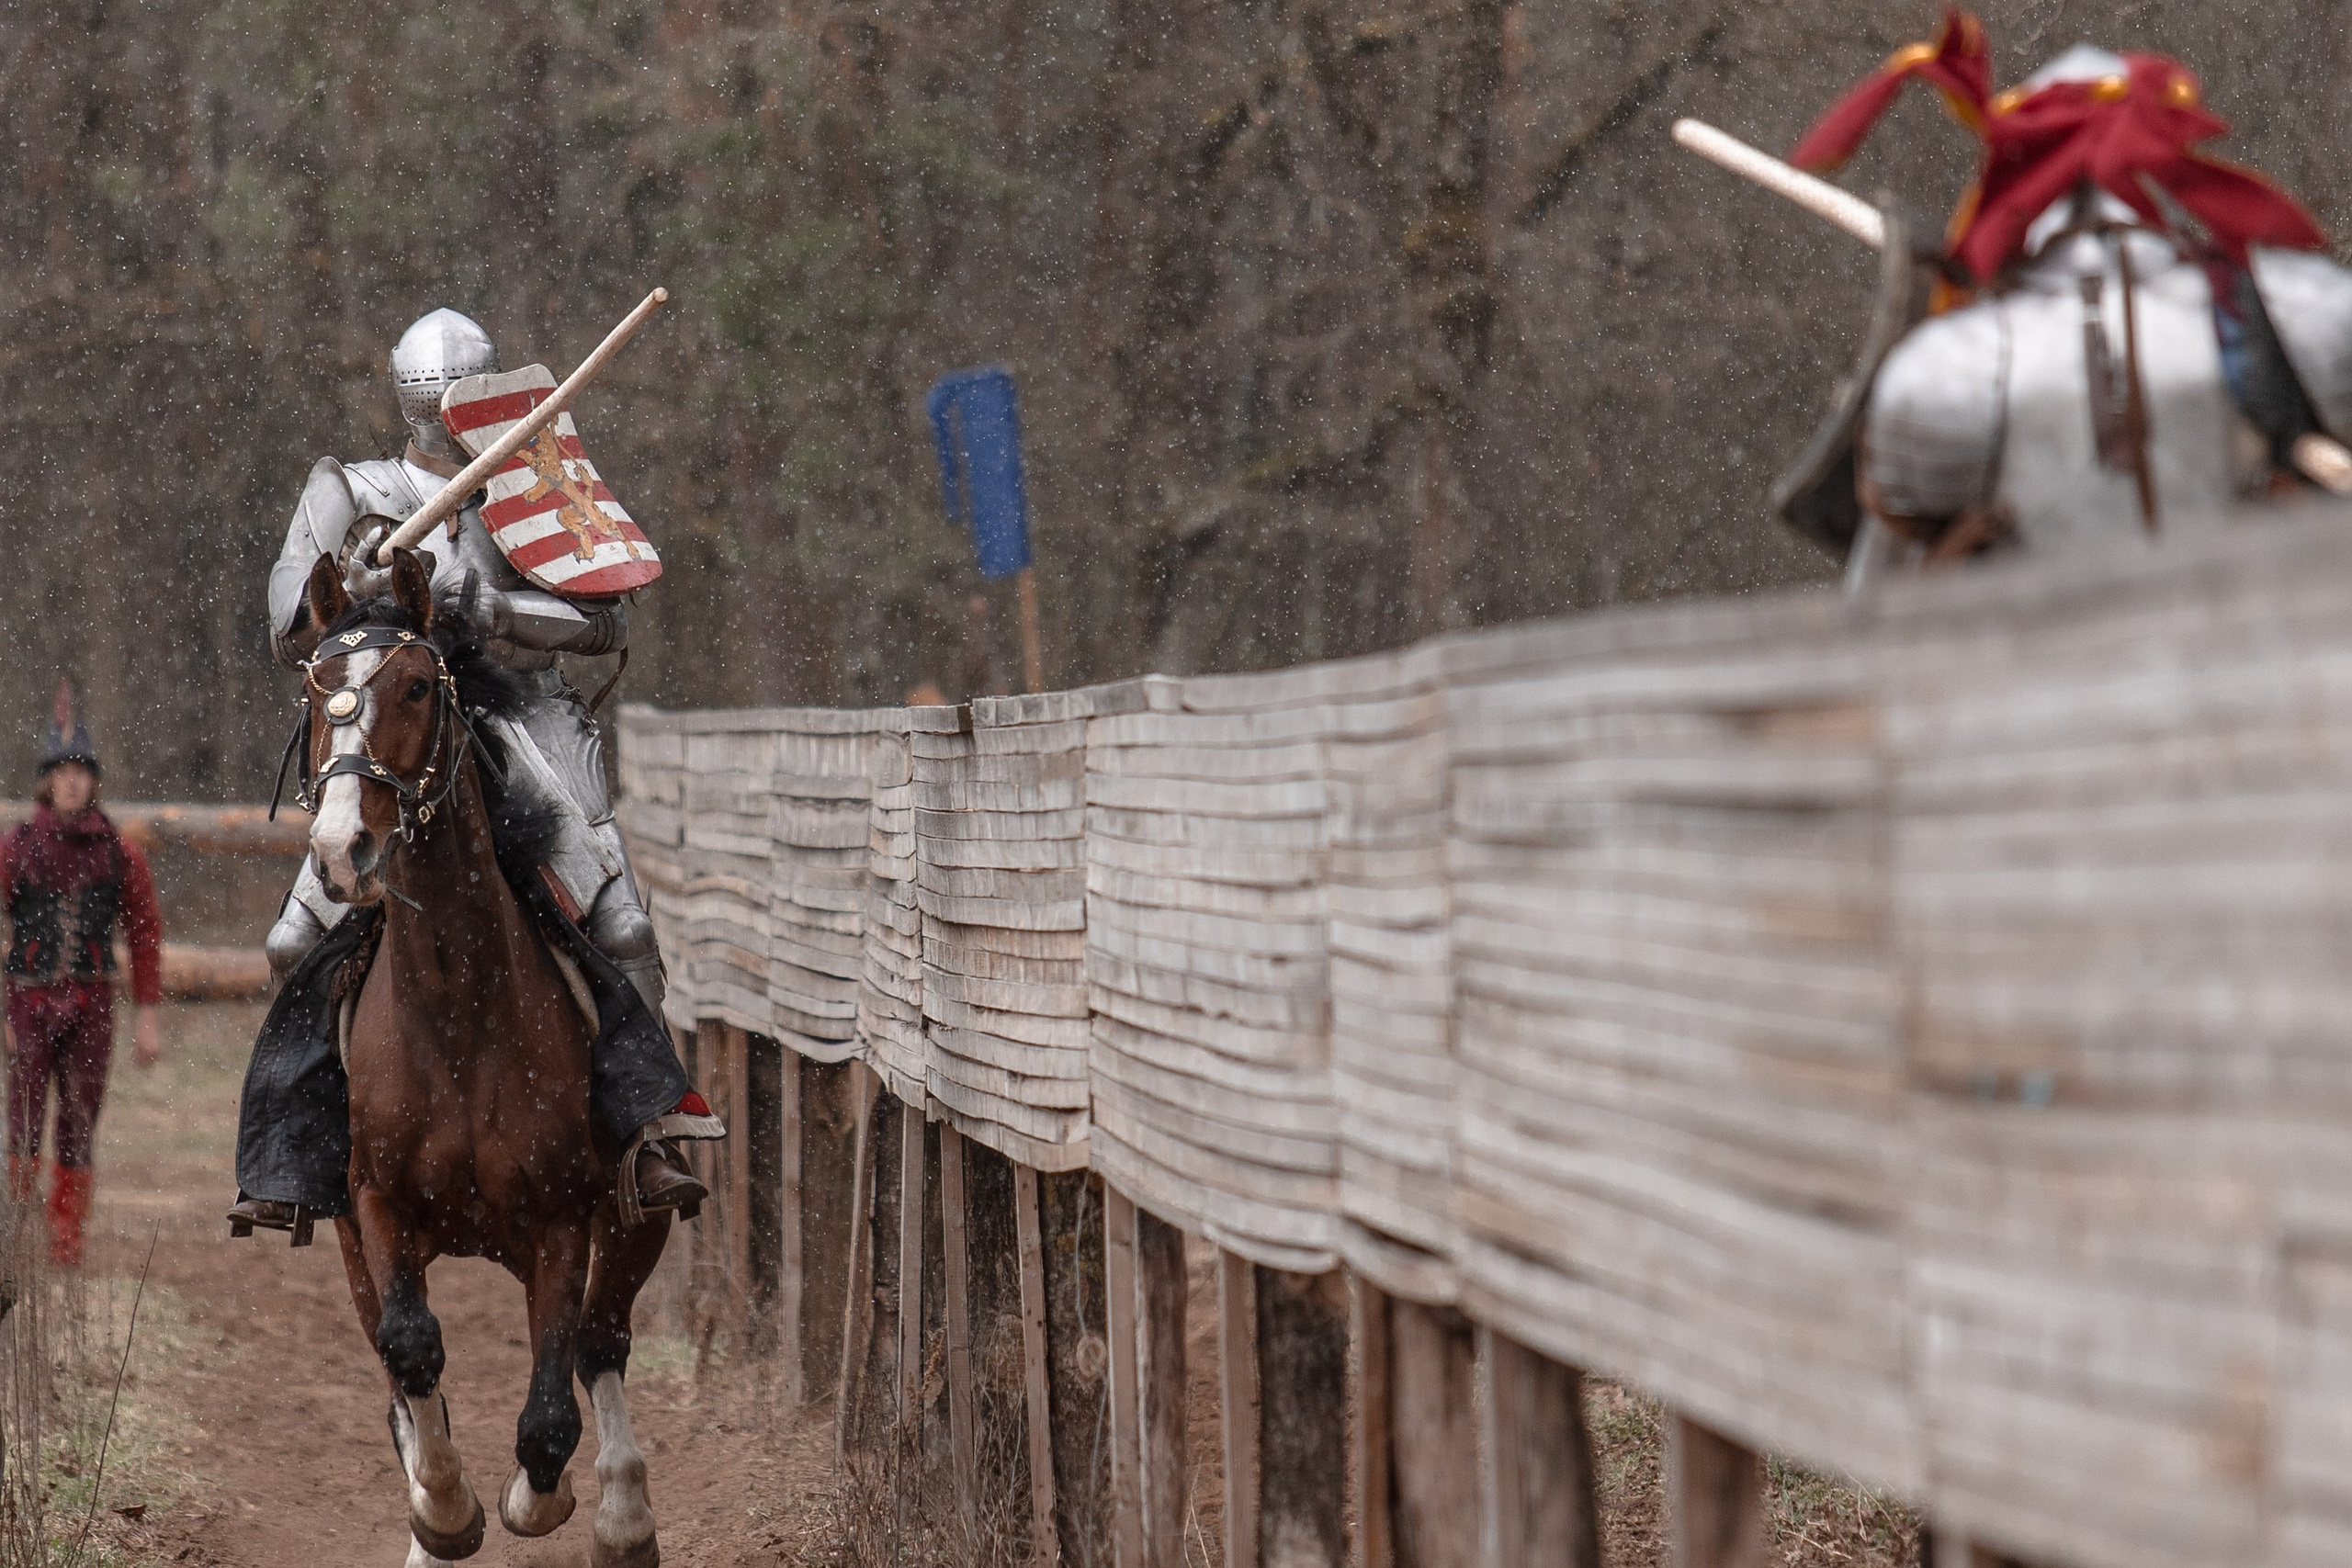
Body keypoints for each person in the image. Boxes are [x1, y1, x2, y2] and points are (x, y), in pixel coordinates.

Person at [229, 308, 715, 1235]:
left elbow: (607, 625)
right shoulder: (350, 486)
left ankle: (649, 1130)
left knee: (617, 920)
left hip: (521, 711)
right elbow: (290, 622)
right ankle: (304, 1143)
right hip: (393, 715)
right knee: (296, 940)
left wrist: (485, 601)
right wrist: (354, 580)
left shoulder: (536, 481)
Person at [1767, 9, 2352, 584]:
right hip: (2260, 648)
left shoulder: (1949, 367)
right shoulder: (2301, 308)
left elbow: (1884, 600)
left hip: (2054, 663)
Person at [0, 685, 162, 1267]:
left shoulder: (120, 853)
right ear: (46, 780)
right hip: (28, 1001)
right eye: (62, 772)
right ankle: (14, 1235)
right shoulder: (14, 849)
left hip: (92, 1004)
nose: (72, 781)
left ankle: (66, 1242)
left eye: (81, 772)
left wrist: (147, 1015)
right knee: (21, 1123)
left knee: (79, 1123)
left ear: (93, 781)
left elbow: (144, 935)